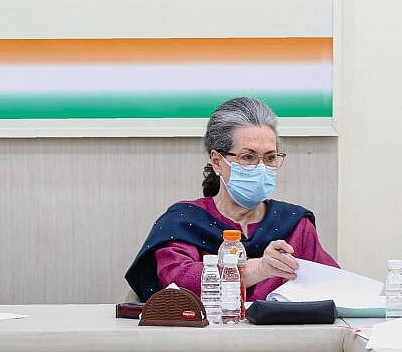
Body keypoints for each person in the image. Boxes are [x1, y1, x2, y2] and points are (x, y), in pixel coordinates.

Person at [125, 96, 337, 302]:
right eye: (248, 157)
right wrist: (260, 268)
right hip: (203, 336)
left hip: (281, 337)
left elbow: (333, 285)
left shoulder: (294, 224)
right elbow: (177, 282)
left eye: (270, 157)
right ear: (217, 162)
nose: (261, 168)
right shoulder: (184, 221)